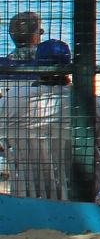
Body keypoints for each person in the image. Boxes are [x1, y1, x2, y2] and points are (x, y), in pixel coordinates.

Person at [0, 39, 71, 198]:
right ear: (69, 67)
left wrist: (10, 153)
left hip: (25, 189)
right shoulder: (84, 100)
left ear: (37, 65)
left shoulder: (13, 97)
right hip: (73, 187)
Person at [2, 10, 44, 81]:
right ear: (37, 34)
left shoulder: (5, 63)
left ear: (10, 34)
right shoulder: (45, 60)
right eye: (41, 30)